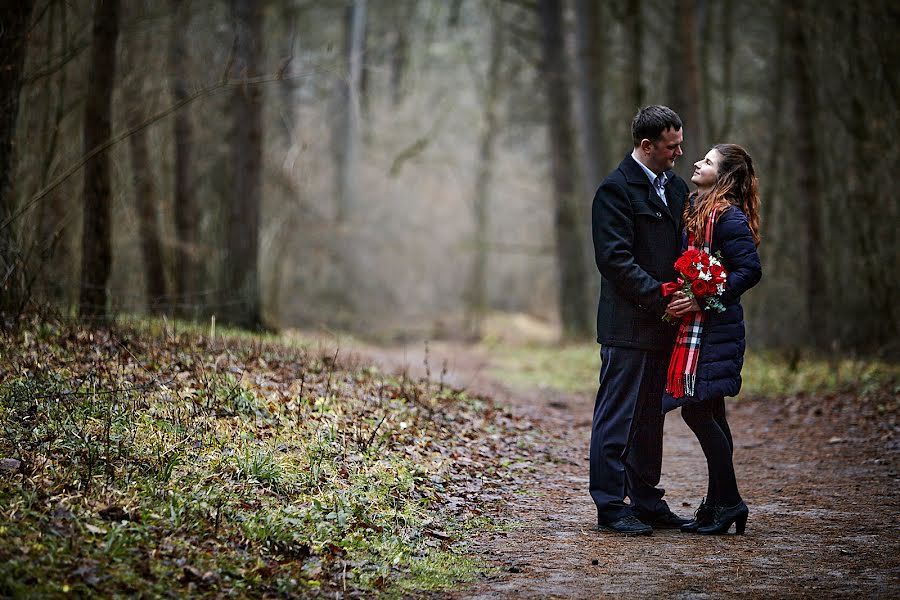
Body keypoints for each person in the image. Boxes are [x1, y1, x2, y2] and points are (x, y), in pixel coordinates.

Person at [589, 106, 692, 536]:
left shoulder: (678, 189)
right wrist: (662, 296)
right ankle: (611, 505)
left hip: (664, 326)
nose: (680, 153)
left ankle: (647, 501)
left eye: (680, 144)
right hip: (627, 326)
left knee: (651, 417)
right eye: (672, 147)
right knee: (617, 416)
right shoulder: (615, 190)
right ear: (646, 146)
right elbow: (614, 261)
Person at [664, 143, 762, 535]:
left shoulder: (728, 217)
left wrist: (707, 294)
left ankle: (731, 501)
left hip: (715, 330)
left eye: (707, 161)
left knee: (697, 411)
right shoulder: (695, 208)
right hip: (699, 329)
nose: (697, 163)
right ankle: (718, 503)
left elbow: (749, 270)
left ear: (723, 176)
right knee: (713, 414)